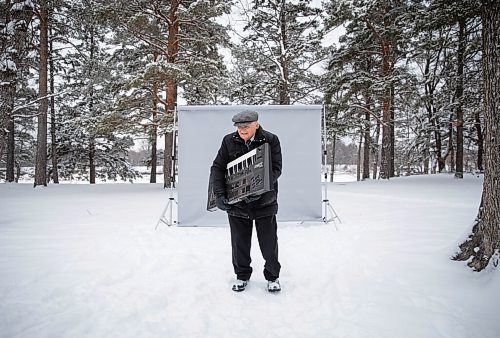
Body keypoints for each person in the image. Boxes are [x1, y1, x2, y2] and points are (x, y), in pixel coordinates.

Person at [210, 110, 282, 293]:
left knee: (268, 243)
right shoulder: (228, 140)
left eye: (246, 126)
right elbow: (217, 168)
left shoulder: (271, 139)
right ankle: (242, 276)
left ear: (256, 124)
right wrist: (219, 194)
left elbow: (276, 169)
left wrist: (258, 188)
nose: (242, 130)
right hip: (237, 203)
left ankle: (272, 277)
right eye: (239, 127)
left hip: (265, 201)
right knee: (239, 242)